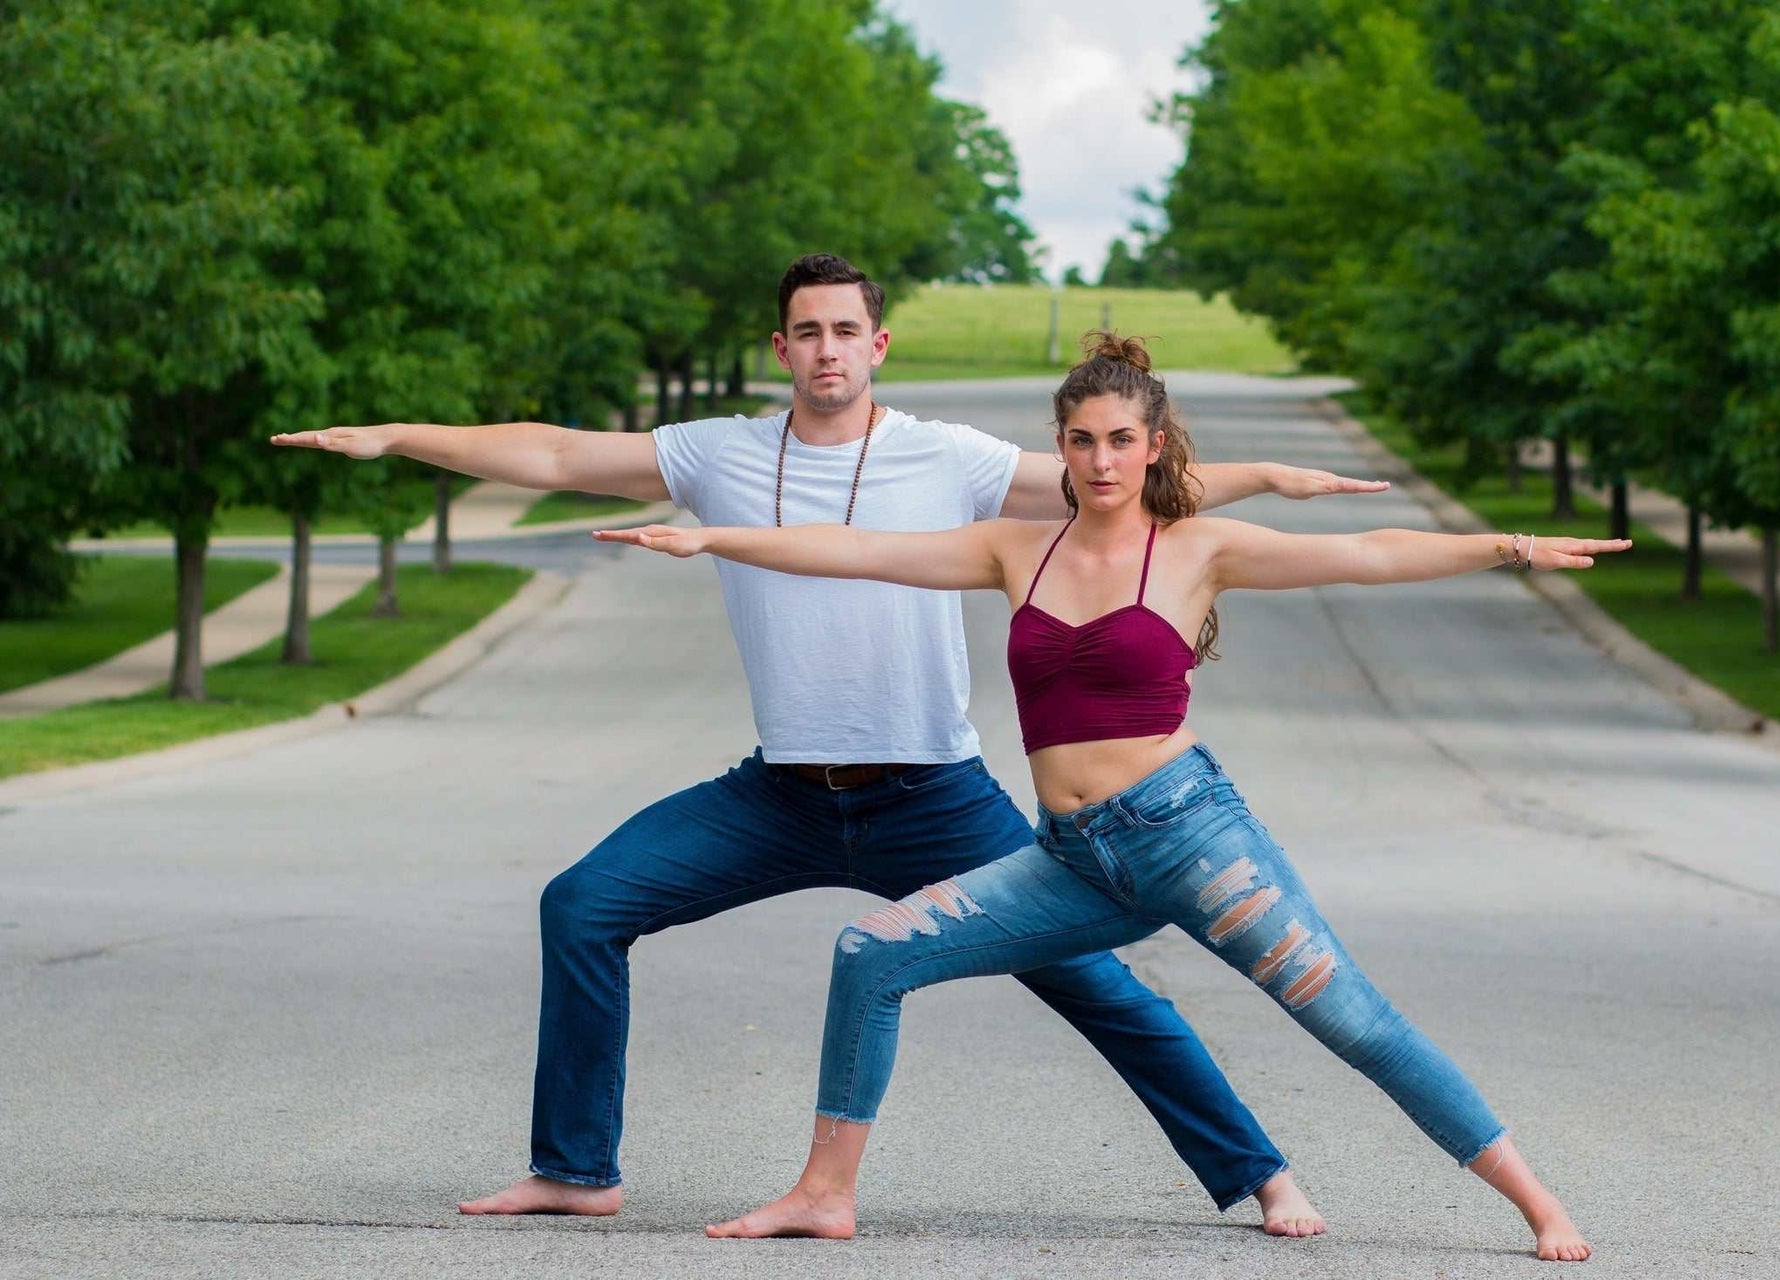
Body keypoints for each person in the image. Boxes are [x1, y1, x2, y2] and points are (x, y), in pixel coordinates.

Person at [270, 254, 1390, 1228]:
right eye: (806, 330)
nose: (826, 348)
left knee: (1095, 981)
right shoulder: (714, 451)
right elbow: (558, 457)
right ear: (781, 345)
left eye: (845, 329)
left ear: (878, 342)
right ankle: (573, 1168)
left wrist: (1271, 478)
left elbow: (1115, 480)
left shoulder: (946, 455)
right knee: (583, 902)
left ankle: (1261, 1173)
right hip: (779, 794)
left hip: (934, 794)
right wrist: (398, 438)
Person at [600, 332, 1619, 1261]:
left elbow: (1364, 556)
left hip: (1195, 839)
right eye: (1081, 440)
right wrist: (712, 539)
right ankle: (825, 1193)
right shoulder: (1014, 545)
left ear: (1155, 444)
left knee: (1356, 1023)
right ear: (1061, 444)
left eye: (1120, 439)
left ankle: (1538, 1203)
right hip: (1074, 856)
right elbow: (860, 548)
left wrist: (1513, 547)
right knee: (872, 951)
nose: (1099, 460)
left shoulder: (1197, 548)